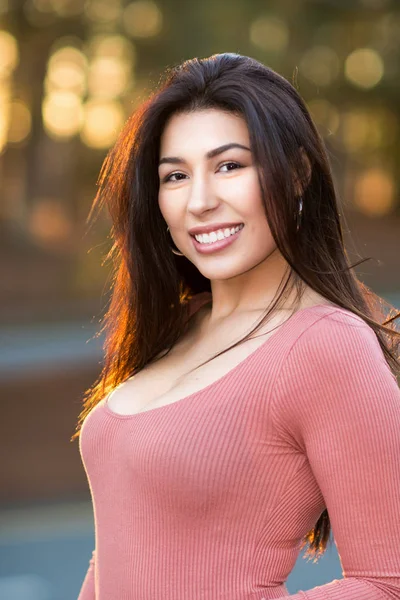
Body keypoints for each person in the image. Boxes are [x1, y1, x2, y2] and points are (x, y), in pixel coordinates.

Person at [72, 53, 400, 600]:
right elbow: (121, 552)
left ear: (297, 174)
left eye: (230, 166)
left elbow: (390, 582)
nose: (200, 201)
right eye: (175, 176)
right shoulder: (178, 326)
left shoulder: (327, 345)